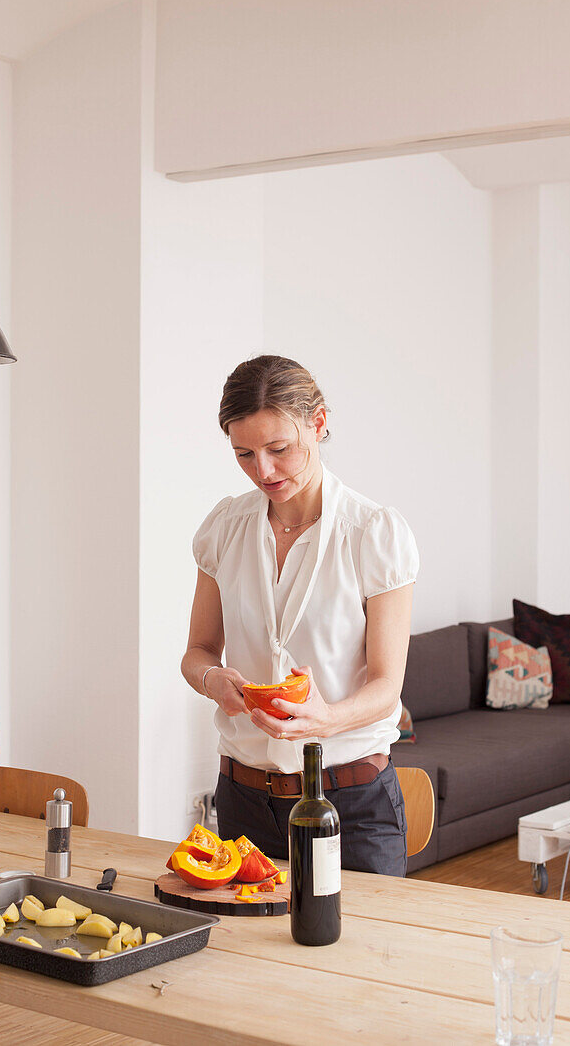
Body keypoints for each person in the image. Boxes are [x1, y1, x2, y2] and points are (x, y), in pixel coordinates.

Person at [181, 355, 419, 876]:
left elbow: (387, 687)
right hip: (243, 803)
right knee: (243, 958)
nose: (262, 471)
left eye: (279, 449)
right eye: (244, 454)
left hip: (349, 804)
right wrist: (210, 678)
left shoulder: (372, 533)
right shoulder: (224, 527)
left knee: (358, 957)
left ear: (318, 422)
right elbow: (197, 652)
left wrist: (326, 719)